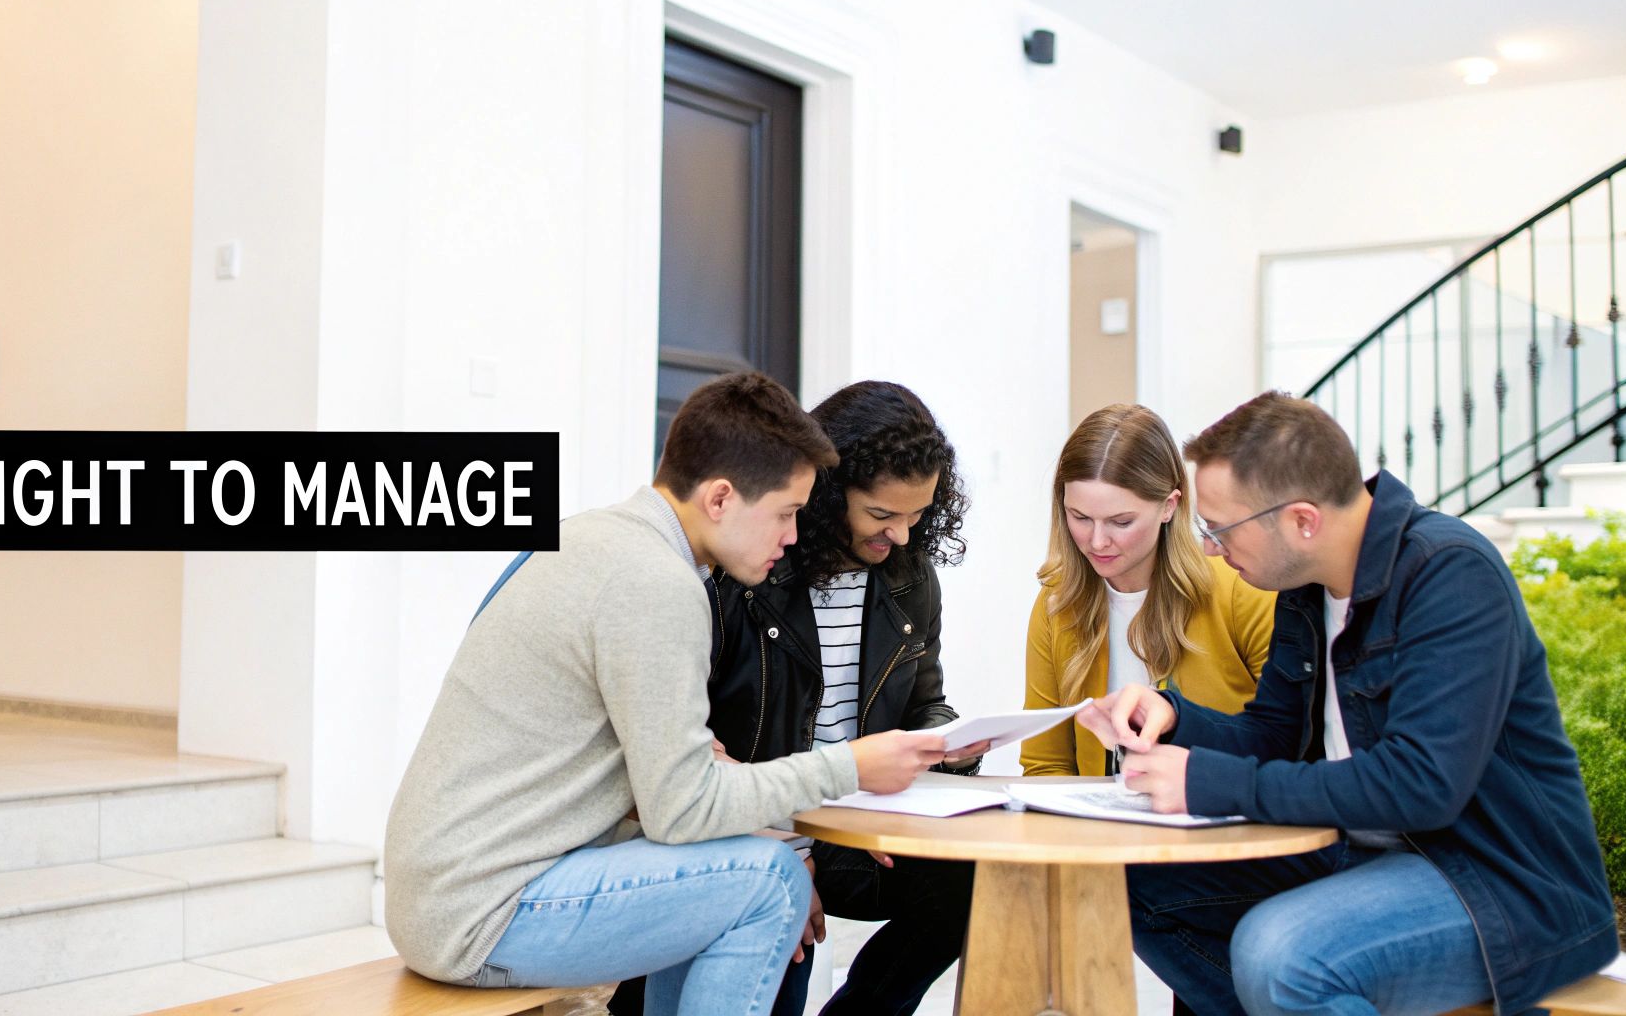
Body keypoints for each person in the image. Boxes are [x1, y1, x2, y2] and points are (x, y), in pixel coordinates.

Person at [384, 372, 949, 1016]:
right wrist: (849, 768)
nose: (794, 535)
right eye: (786, 513)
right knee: (769, 884)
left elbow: (680, 789)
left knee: (738, 866)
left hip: (450, 895)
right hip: (486, 913)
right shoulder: (657, 583)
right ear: (720, 497)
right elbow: (681, 813)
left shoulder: (600, 538)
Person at [1078, 391, 1617, 1016]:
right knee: (1128, 871)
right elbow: (1273, 738)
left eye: (1221, 530)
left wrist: (1207, 782)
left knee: (1281, 955)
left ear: (1302, 521)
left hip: (1494, 880)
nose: (1211, 549)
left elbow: (1421, 785)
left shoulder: (1450, 573)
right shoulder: (1306, 588)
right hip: (1358, 851)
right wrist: (1174, 718)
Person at [711, 380, 983, 1016]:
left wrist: (949, 740)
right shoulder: (747, 571)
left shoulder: (911, 578)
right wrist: (784, 854)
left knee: (969, 878)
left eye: (916, 516)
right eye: (882, 515)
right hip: (753, 825)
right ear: (828, 491)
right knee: (777, 976)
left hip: (851, 823)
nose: (902, 537)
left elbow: (923, 700)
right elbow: (695, 746)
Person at [1021, 403, 1273, 777]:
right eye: (1080, 517)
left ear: (1169, 506)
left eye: (1121, 522)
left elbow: (1286, 744)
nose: (1097, 541)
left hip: (1217, 809)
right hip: (1099, 815)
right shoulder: (1057, 602)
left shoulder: (1242, 590)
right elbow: (1046, 764)